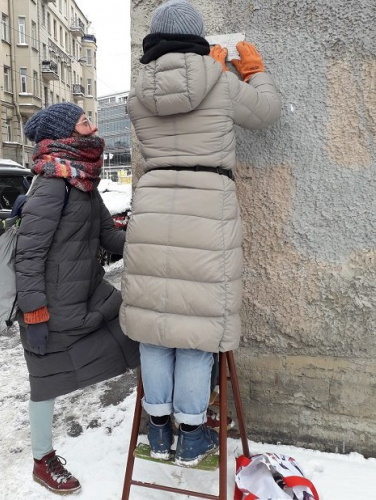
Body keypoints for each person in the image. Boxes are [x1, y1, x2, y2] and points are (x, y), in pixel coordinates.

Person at [120, 0, 281, 467]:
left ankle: (156, 431)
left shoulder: (135, 94)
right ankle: (191, 436)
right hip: (207, 211)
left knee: (153, 328)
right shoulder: (221, 82)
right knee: (196, 331)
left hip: (152, 210)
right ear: (199, 38)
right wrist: (252, 70)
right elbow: (268, 111)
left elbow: (174, 94)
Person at [15, 102, 139, 494]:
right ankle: (42, 460)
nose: (94, 126)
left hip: (88, 296)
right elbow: (28, 254)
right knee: (45, 381)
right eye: (85, 121)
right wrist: (34, 313)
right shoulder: (52, 183)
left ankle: (164, 418)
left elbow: (110, 236)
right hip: (49, 306)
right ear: (68, 133)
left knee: (139, 336)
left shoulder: (82, 182)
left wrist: (154, 242)